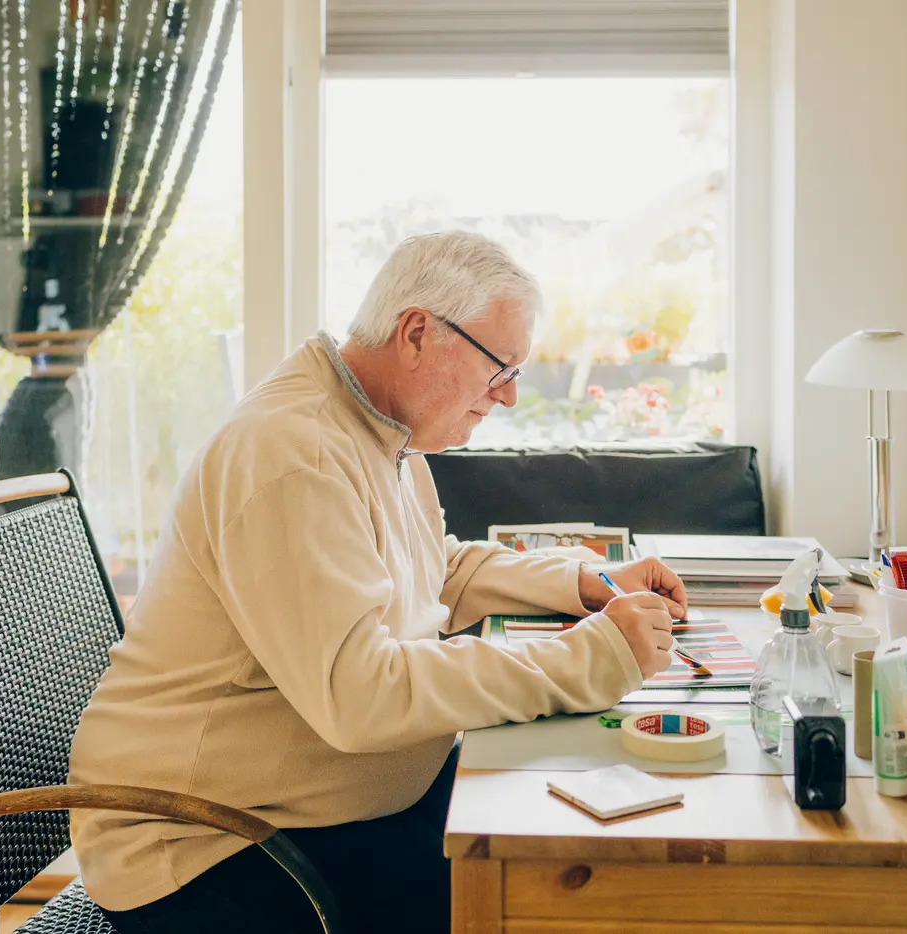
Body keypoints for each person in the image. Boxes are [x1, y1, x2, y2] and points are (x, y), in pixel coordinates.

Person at [68, 231, 687, 933]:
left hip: (316, 807)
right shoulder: (292, 452)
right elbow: (359, 696)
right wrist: (592, 658)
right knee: (542, 897)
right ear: (418, 332)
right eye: (500, 368)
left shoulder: (378, 426)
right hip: (205, 841)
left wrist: (588, 583)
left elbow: (436, 572)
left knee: (555, 839)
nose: (510, 396)